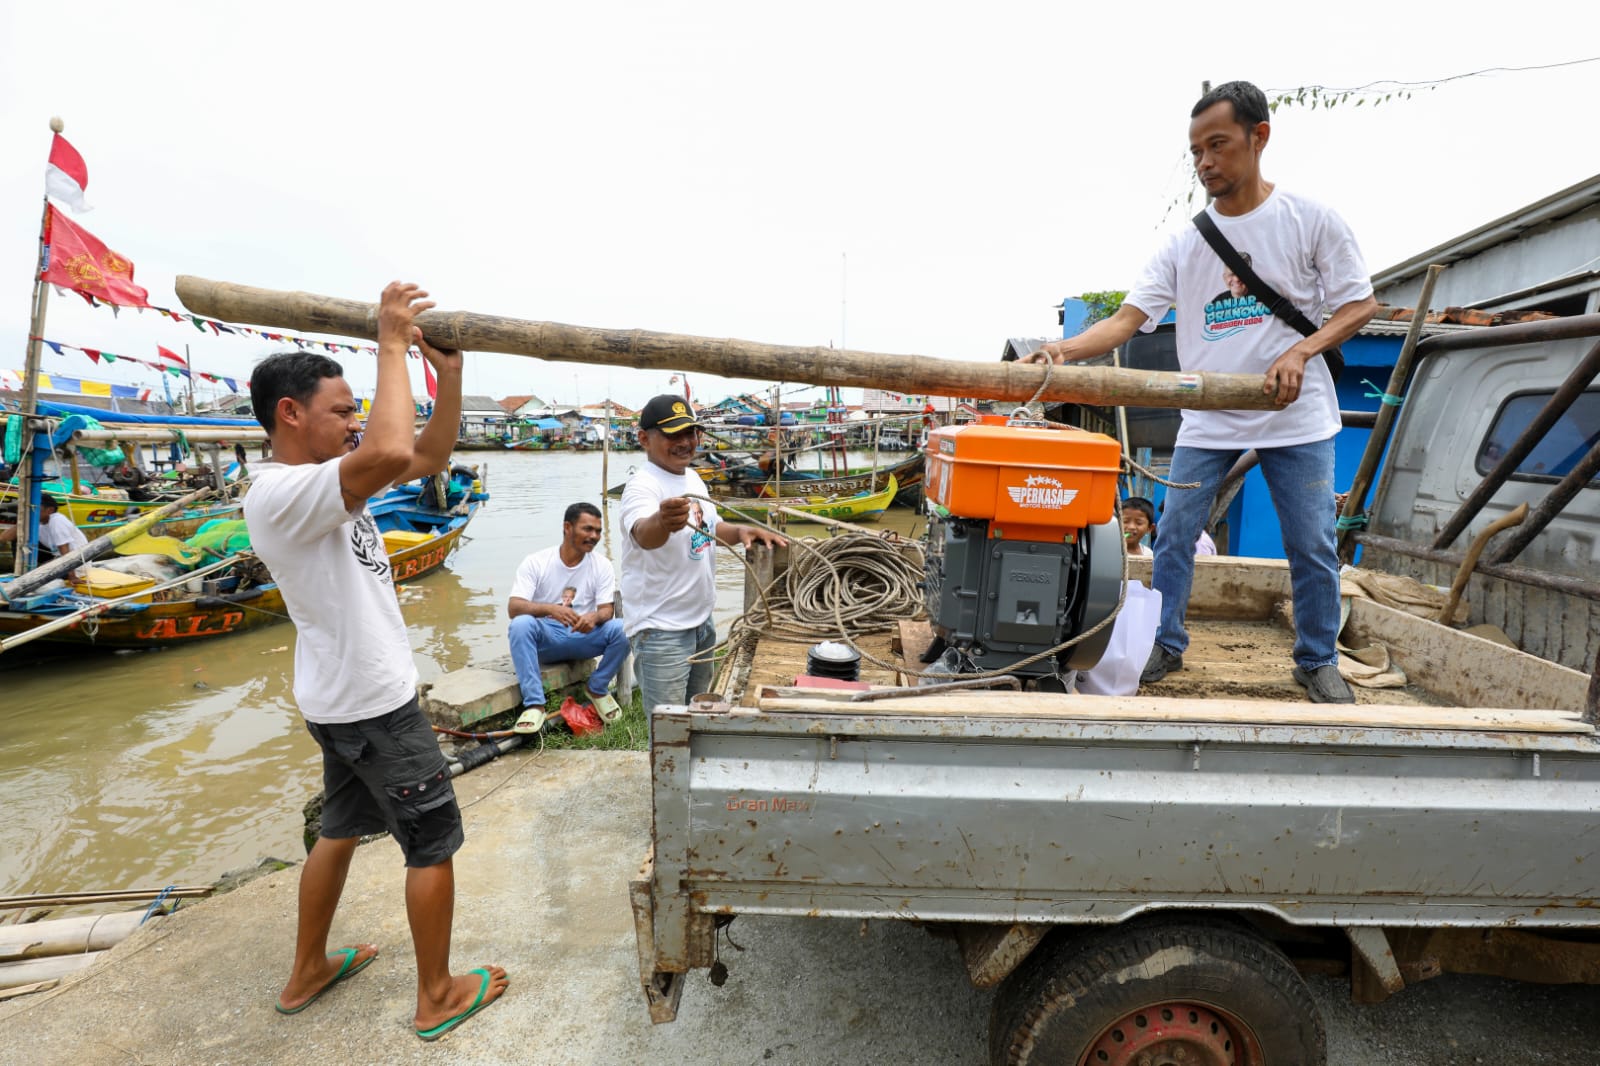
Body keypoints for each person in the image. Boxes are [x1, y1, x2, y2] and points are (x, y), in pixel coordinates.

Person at [1027, 81, 1377, 704]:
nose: (1205, 162)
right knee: (1174, 538)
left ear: (1258, 136)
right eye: (1196, 152)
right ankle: (1166, 643)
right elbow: (1126, 320)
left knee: (1312, 544)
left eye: (1217, 145)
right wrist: (1062, 351)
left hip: (1296, 419)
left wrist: (1300, 350)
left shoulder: (1309, 220)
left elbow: (1360, 305)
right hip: (1209, 421)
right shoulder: (1185, 243)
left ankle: (1318, 658)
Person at [243, 282, 509, 1040]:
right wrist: (391, 341)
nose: (356, 421)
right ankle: (437, 994)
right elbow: (393, 447)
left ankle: (308, 971)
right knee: (431, 841)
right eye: (341, 409)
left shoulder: (328, 486)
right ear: (290, 415)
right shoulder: (283, 492)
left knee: (339, 829)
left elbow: (425, 452)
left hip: (338, 701)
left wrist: (446, 376)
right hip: (372, 706)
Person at [619, 395, 787, 722]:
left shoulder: (692, 478)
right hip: (662, 630)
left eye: (690, 433)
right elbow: (642, 533)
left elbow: (708, 529)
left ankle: (691, 772)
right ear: (644, 438)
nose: (685, 442)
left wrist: (741, 532)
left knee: (697, 717)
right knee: (669, 730)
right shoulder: (642, 487)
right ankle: (668, 774)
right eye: (672, 434)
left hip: (700, 623)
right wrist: (662, 522)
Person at [506, 501, 629, 731]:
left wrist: (593, 618)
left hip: (584, 635)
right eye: (587, 529)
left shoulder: (601, 565)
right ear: (567, 527)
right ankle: (534, 705)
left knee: (624, 628)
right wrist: (550, 609)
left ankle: (597, 688)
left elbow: (606, 610)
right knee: (520, 625)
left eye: (598, 531)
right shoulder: (537, 562)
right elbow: (514, 607)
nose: (594, 536)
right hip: (548, 638)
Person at [37, 494, 89, 574]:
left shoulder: (57, 521)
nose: (33, 512)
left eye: (37, 509)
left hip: (77, 565)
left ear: (50, 510)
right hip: (60, 560)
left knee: (39, 574)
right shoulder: (39, 524)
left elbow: (64, 549)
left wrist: (72, 576)